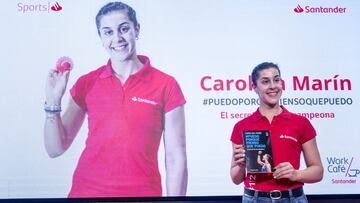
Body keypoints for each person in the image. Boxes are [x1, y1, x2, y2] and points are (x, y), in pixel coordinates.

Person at [44, 1, 187, 198]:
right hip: (86, 194)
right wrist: (53, 102)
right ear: (101, 37)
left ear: (136, 29)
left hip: (144, 196)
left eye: (124, 29)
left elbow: (175, 158)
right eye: (108, 32)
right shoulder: (88, 82)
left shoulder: (166, 85)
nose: (117, 38)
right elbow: (55, 149)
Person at [230, 62, 323, 203]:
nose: (273, 86)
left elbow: (318, 172)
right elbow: (235, 179)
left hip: (293, 198)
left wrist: (295, 174)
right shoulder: (241, 126)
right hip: (254, 198)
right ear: (254, 87)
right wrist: (241, 166)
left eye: (277, 80)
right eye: (265, 81)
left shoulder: (301, 123)